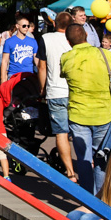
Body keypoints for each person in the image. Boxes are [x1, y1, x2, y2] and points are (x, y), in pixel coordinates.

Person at [61, 23, 111, 194]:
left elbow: (63, 74)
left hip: (78, 114)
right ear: (87, 35)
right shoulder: (104, 54)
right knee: (101, 158)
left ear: (68, 41)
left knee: (83, 159)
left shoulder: (66, 57)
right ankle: (101, 199)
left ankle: (87, 199)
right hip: (104, 112)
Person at [38, 11, 76, 181]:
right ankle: (85, 164)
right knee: (80, 132)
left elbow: (42, 67)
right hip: (75, 91)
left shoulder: (46, 39)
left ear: (55, 24)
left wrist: (42, 89)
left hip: (55, 91)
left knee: (61, 133)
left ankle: (70, 171)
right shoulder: (76, 38)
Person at [0, 16, 38, 84]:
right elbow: (4, 61)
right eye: (24, 26)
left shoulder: (33, 41)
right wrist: (3, 79)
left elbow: (37, 60)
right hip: (13, 75)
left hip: (29, 75)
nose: (26, 27)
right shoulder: (9, 41)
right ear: (17, 26)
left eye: (28, 26)